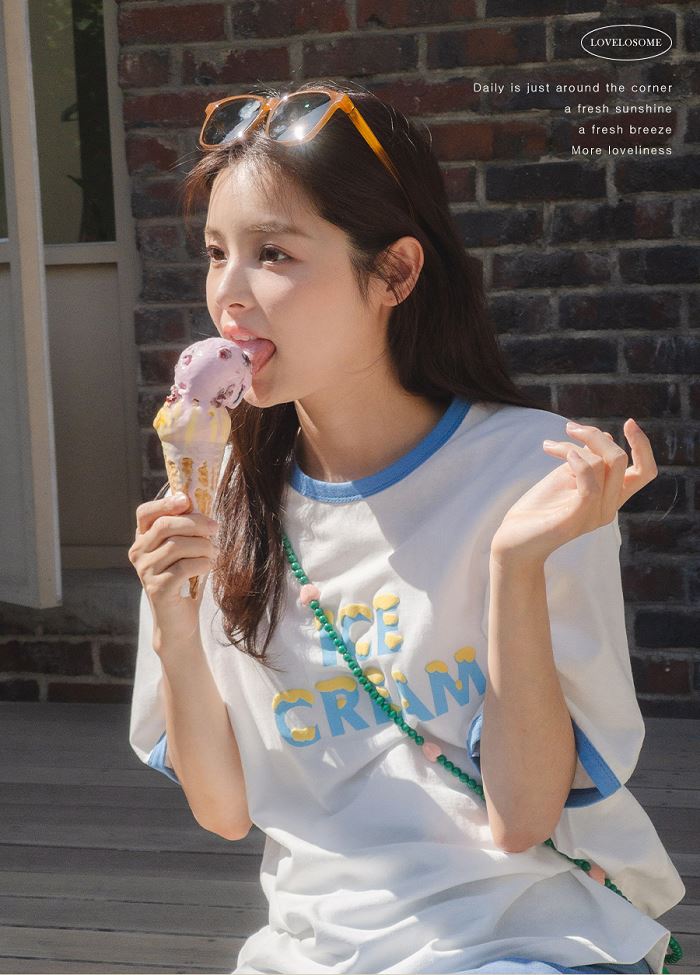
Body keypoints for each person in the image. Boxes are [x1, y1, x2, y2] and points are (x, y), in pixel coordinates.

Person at [128, 80, 685, 975]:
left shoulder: (535, 474)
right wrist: (172, 618)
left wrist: (514, 565)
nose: (229, 294)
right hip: (309, 952)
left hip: (525, 938)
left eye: (274, 254)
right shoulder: (215, 491)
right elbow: (224, 811)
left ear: (394, 273)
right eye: (216, 253)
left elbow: (522, 817)